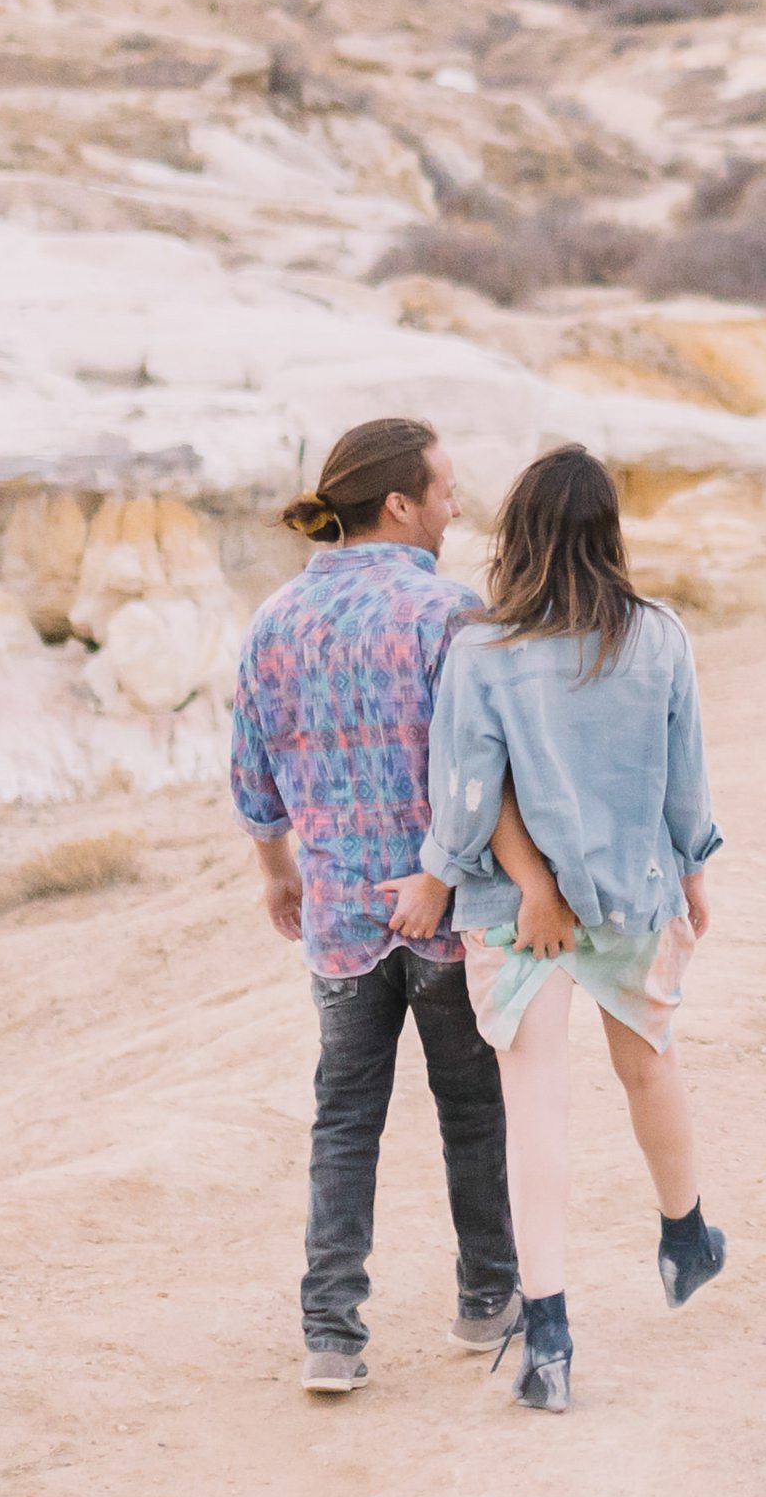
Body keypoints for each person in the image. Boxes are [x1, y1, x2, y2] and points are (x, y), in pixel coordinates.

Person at [228, 417, 574, 1397]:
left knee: (344, 1120)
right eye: (445, 487)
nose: (455, 504)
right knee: (471, 1107)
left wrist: (277, 871)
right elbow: (481, 765)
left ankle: (330, 1334)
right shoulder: (447, 612)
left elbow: (252, 776)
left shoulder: (274, 621)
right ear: (399, 503)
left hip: (338, 915)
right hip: (445, 910)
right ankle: (486, 1297)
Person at [380, 444, 726, 1414]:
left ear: (520, 533)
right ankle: (685, 1235)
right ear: (607, 530)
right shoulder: (657, 635)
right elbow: (683, 770)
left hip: (515, 912)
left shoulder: (483, 648)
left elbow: (464, 787)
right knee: (649, 1061)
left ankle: (551, 1334)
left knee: (535, 1110)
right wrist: (694, 867)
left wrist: (447, 875)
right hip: (631, 888)